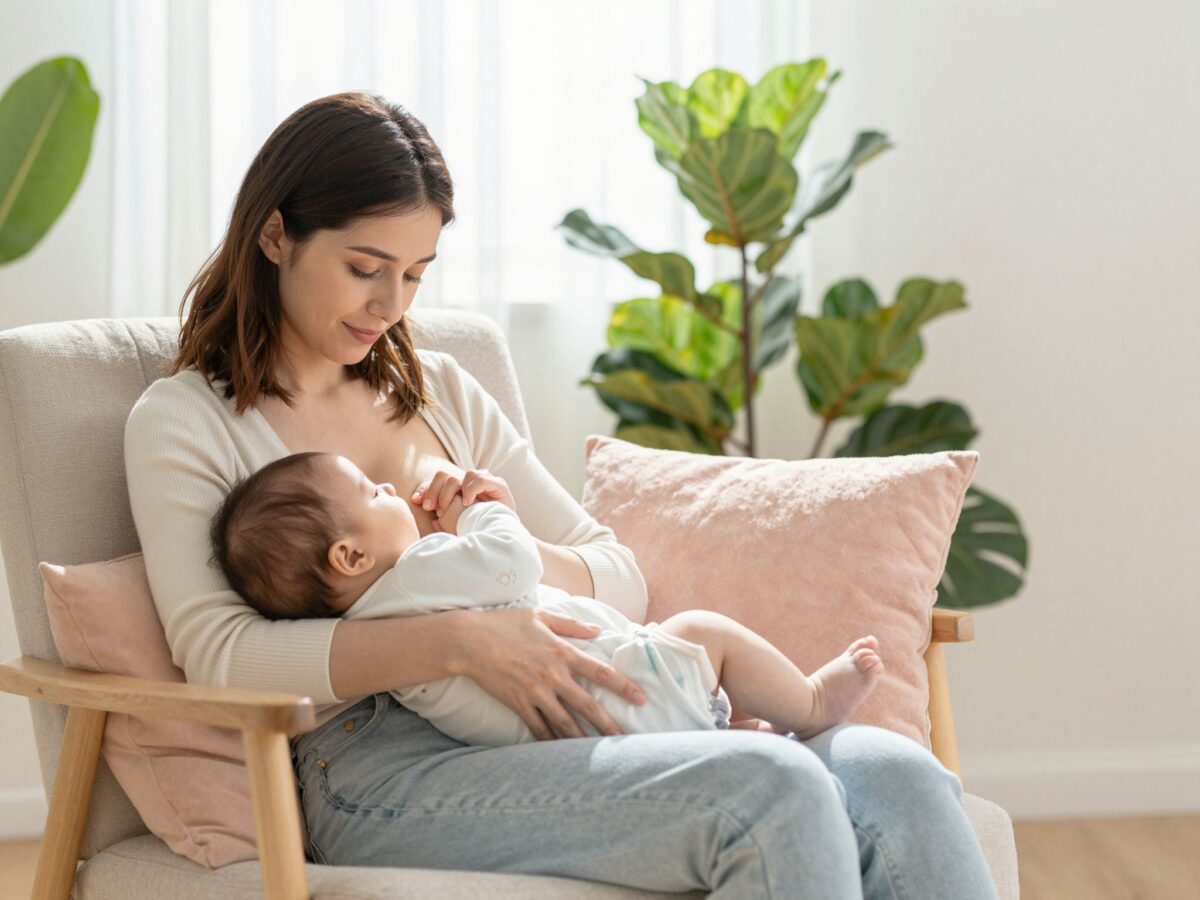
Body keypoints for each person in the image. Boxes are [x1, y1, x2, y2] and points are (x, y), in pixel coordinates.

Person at [124, 90, 999, 898]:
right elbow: (221, 653)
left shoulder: (441, 392)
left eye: (417, 273)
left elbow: (618, 572)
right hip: (380, 765)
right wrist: (460, 640)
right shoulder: (189, 420)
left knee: (899, 777)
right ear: (275, 236)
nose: (390, 303)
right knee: (768, 789)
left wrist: (495, 550)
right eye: (365, 267)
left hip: (577, 713)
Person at [208, 450, 887, 747]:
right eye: (373, 492)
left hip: (584, 729)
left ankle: (731, 724)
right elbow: (511, 561)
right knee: (702, 631)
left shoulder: (378, 625)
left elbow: (613, 572)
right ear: (350, 555)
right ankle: (810, 703)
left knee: (690, 666)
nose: (391, 489)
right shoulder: (417, 572)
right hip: (624, 684)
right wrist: (487, 508)